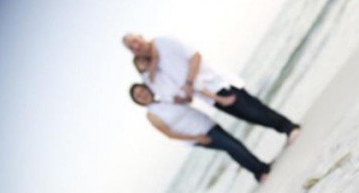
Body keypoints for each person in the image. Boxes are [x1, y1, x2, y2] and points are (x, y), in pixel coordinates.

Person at [122, 33, 301, 145]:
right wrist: (183, 96)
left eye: (135, 41)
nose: (135, 46)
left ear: (141, 37)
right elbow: (180, 93)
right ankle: (285, 128)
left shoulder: (164, 42)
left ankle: (289, 127)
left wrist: (189, 84)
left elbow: (195, 57)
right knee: (248, 116)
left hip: (218, 83)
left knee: (253, 109)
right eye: (131, 47)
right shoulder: (156, 71)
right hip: (209, 98)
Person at [130, 83, 271, 183]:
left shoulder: (166, 99)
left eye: (142, 90)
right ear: (137, 101)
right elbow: (169, 133)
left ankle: (261, 167)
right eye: (138, 95)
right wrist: (196, 137)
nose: (142, 94)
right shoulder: (152, 114)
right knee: (231, 146)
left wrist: (184, 97)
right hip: (198, 135)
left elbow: (188, 101)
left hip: (208, 124)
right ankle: (259, 172)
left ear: (147, 89)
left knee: (234, 144)